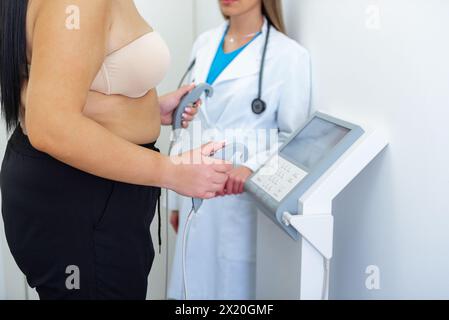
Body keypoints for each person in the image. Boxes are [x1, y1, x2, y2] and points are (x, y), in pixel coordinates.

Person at [0, 0, 232, 300]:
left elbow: (55, 85)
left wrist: (148, 109)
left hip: (78, 188)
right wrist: (172, 173)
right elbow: (50, 125)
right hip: (81, 191)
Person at [168, 0, 312, 300]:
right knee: (190, 284)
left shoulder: (288, 56)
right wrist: (175, 200)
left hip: (240, 195)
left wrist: (252, 166)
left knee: (231, 289)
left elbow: (293, 134)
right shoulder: (204, 43)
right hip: (193, 185)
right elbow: (189, 123)